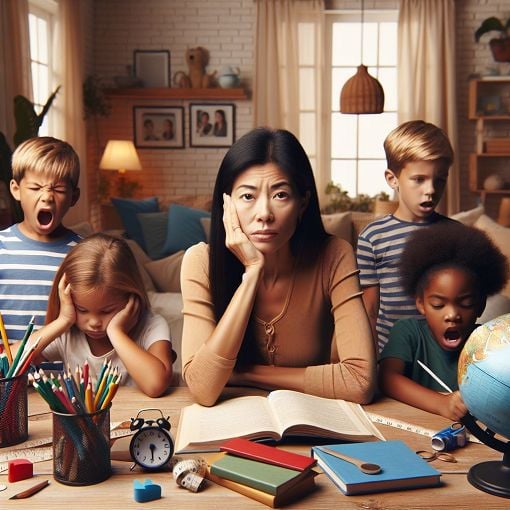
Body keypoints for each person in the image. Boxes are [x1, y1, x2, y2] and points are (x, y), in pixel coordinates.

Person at [181, 127, 376, 406]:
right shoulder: (200, 263)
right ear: (227, 204)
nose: (264, 214)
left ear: (302, 203)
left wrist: (245, 374)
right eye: (248, 197)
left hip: (310, 420)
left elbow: (360, 382)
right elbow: (202, 389)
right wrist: (252, 273)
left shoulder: (334, 256)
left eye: (280, 195)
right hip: (229, 426)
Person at [378, 222, 508, 421]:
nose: (452, 315)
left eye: (466, 303)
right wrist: (441, 404)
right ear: (421, 303)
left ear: (480, 305)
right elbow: (387, 378)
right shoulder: (408, 332)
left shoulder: (488, 343)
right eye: (438, 304)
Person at [26, 233, 175, 397]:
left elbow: (155, 384)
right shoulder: (68, 333)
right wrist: (62, 321)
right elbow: (7, 366)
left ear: (131, 297)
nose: (94, 322)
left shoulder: (152, 326)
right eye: (82, 309)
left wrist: (116, 332)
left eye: (106, 311)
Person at [356, 120, 454, 355]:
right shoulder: (372, 238)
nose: (430, 190)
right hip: (390, 355)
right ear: (393, 179)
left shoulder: (455, 234)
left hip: (441, 354)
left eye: (439, 180)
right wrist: (366, 361)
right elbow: (369, 310)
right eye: (419, 179)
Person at [0, 136, 81, 341]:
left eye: (59, 189)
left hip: (60, 371)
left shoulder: (83, 253)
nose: (47, 197)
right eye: (35, 188)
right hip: (6, 371)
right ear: (16, 190)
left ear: (73, 197)